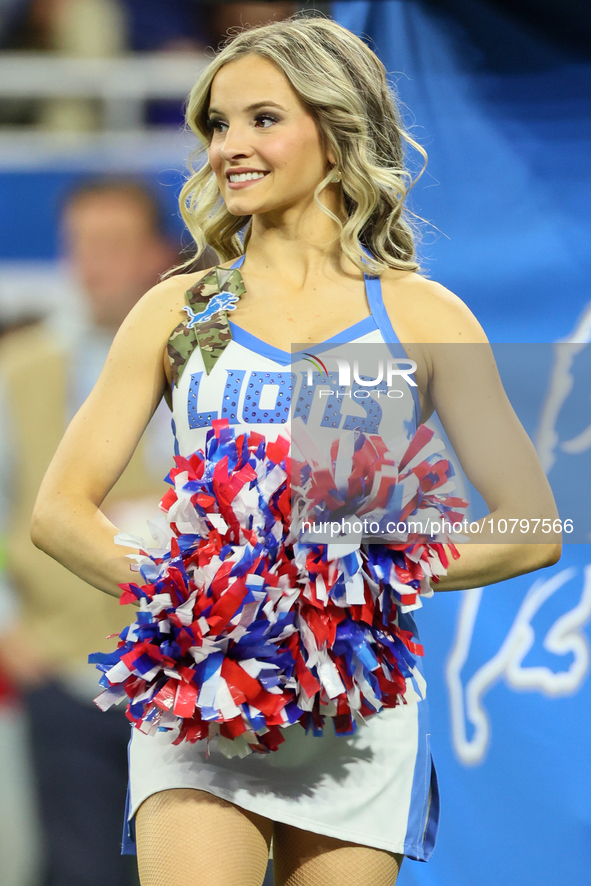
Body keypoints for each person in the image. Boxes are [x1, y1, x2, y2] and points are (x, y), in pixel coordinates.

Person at [30, 17, 560, 886]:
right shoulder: (178, 309)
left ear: (336, 127)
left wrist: (362, 579)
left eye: (261, 119)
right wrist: (195, 602)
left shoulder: (421, 315)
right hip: (203, 697)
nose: (228, 147)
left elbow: (534, 522)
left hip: (354, 708)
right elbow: (58, 511)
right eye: (217, 125)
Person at [0, 178, 181, 886]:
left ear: (158, 256)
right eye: (80, 245)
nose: (92, 264)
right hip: (65, 671)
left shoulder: (211, 362)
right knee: (77, 872)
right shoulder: (19, 371)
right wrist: (9, 630)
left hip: (191, 679)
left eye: (112, 245)